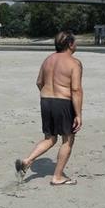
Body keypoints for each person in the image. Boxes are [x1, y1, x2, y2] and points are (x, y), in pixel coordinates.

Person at [15, 30, 83, 185]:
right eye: (75, 42)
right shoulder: (74, 63)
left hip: (46, 100)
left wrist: (49, 95)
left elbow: (39, 82)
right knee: (68, 139)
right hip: (63, 102)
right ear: (70, 44)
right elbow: (76, 90)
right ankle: (57, 176)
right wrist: (78, 114)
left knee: (50, 138)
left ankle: (27, 161)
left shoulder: (47, 60)